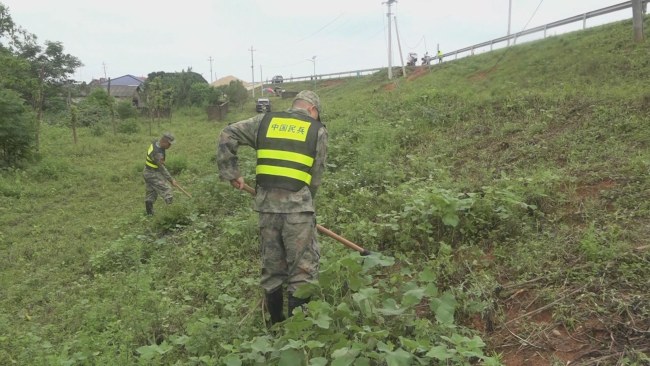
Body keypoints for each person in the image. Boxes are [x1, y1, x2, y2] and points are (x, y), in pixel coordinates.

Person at [216, 90, 328, 324]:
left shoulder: (264, 121)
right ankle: (299, 332)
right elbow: (316, 177)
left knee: (272, 268)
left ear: (294, 105)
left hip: (266, 209)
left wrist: (231, 173)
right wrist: (308, 203)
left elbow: (227, 133)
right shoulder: (317, 130)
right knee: (303, 271)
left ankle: (274, 324)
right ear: (313, 110)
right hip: (298, 212)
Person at [143, 132, 177, 215]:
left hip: (147, 171)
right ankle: (172, 213)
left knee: (151, 192)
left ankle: (149, 214)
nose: (170, 146)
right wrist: (171, 179)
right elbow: (162, 168)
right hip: (152, 174)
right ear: (164, 142)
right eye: (169, 144)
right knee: (167, 190)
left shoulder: (155, 142)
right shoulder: (157, 153)